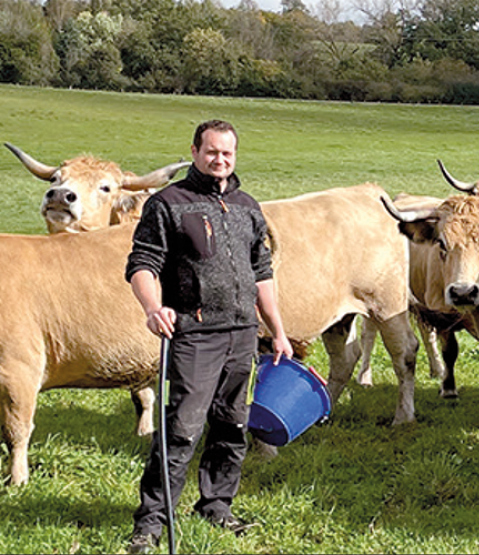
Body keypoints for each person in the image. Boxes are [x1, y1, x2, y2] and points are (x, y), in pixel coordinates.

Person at [125, 120, 293, 554]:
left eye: (228, 154)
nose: (220, 160)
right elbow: (142, 262)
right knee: (181, 429)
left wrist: (276, 329)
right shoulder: (168, 204)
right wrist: (152, 306)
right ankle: (152, 521)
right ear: (196, 152)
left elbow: (261, 274)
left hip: (242, 335)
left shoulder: (247, 207)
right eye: (212, 152)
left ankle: (216, 506)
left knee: (231, 426)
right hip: (195, 335)